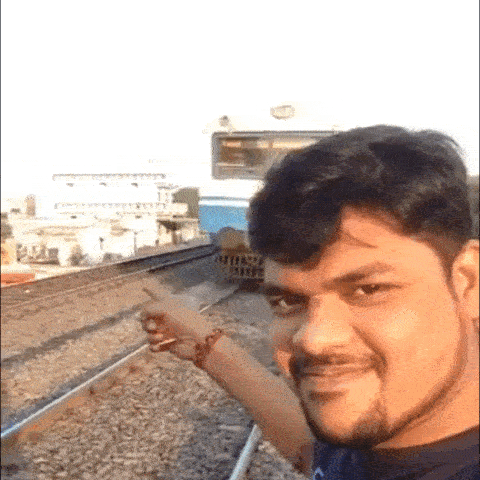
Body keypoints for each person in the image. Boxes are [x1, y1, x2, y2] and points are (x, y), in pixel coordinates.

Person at [142, 125, 479, 479]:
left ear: (469, 282)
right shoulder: (391, 437)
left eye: (368, 290)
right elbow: (314, 456)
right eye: (288, 301)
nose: (314, 339)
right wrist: (208, 348)